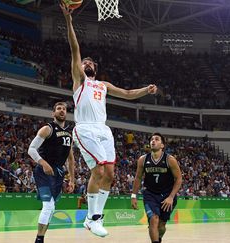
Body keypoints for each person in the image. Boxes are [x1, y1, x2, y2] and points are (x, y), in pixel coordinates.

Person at [60, 4, 158, 238]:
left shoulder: (103, 86)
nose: (88, 63)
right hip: (85, 130)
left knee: (111, 174)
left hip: (104, 130)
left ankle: (95, 218)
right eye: (86, 62)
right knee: (99, 170)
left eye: (92, 63)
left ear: (96, 69)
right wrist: (69, 22)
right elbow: (75, 49)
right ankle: (92, 218)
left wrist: (146, 89)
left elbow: (126, 93)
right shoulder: (79, 80)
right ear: (81, 67)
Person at [28, 102, 75, 243]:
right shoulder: (47, 129)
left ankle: (41, 238)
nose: (62, 111)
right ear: (53, 113)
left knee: (52, 208)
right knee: (48, 205)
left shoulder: (69, 134)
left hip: (58, 172)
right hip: (44, 170)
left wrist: (72, 180)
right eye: (59, 109)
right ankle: (39, 239)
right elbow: (31, 149)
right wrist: (43, 163)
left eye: (64, 109)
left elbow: (71, 159)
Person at [131, 133, 182, 243]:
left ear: (162, 145)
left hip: (167, 195)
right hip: (150, 194)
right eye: (152, 139)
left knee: (161, 226)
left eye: (157, 139)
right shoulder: (143, 160)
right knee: (153, 219)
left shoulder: (170, 160)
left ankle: (158, 238)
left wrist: (171, 197)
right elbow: (138, 178)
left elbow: (178, 179)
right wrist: (133, 196)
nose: (153, 141)